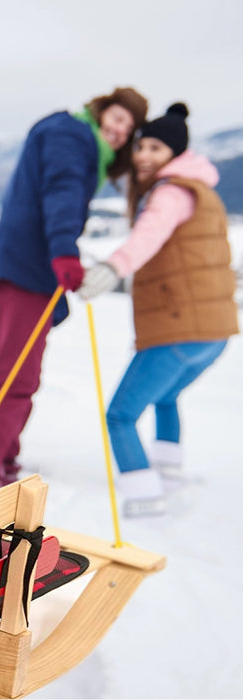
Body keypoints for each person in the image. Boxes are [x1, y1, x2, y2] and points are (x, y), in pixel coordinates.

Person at [0, 87, 148, 491]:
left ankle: (3, 455)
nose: (121, 131)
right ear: (103, 111)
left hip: (28, 271)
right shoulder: (72, 137)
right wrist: (65, 253)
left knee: (24, 373)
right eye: (119, 118)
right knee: (13, 373)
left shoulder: (75, 140)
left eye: (129, 127)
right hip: (25, 269)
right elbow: (62, 194)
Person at [78, 103, 239, 517]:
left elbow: (149, 235)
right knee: (166, 397)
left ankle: (145, 494)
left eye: (155, 147)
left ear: (175, 152)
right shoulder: (201, 189)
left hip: (179, 330)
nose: (144, 155)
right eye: (140, 146)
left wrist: (114, 266)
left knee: (120, 414)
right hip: (213, 333)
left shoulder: (170, 192)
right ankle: (168, 472)